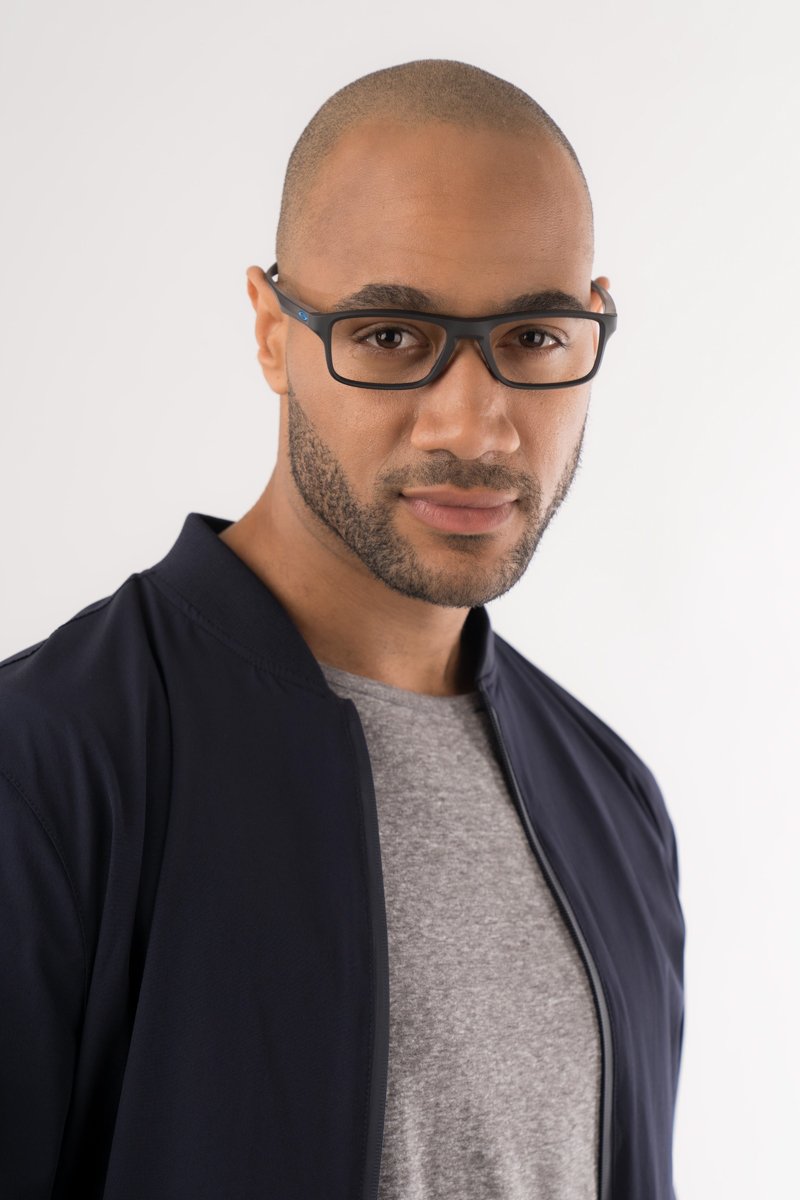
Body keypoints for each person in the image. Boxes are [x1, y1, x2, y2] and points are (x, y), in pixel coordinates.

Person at [0, 58, 685, 1200]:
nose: (474, 425)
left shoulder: (614, 805)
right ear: (273, 332)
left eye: (532, 337)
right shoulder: (46, 767)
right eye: (391, 336)